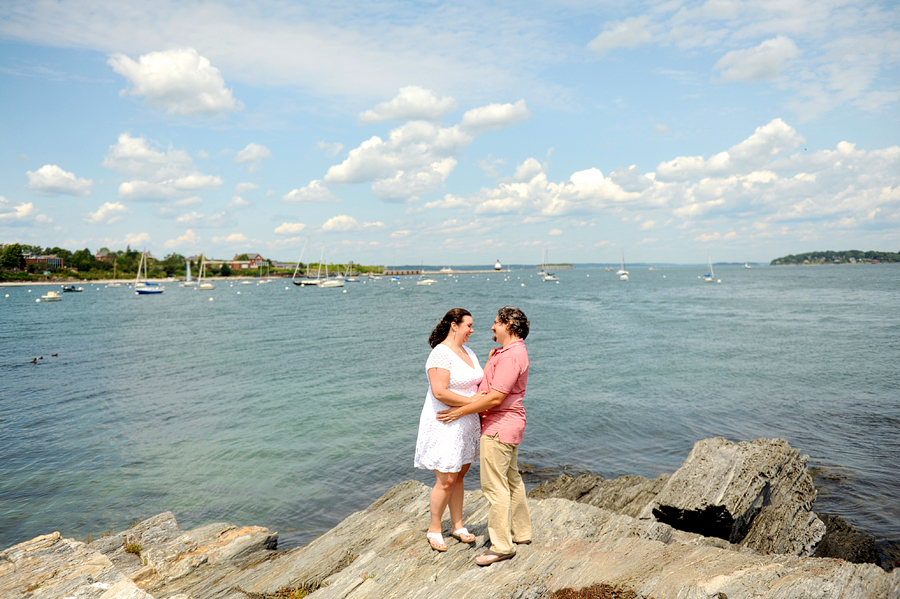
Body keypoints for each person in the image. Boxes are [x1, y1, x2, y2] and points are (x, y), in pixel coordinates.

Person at [437, 306, 531, 566]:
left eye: (495, 322)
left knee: (495, 487)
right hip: (507, 425)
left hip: (499, 427)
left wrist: (461, 412)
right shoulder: (506, 353)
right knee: (512, 481)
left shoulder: (512, 356)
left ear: (509, 325)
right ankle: (521, 533)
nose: (492, 327)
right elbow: (490, 387)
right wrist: (491, 361)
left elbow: (496, 397)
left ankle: (502, 546)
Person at [414, 308, 484, 552]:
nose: (472, 330)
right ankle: (434, 528)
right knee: (445, 479)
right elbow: (440, 392)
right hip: (446, 423)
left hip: (466, 422)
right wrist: (476, 404)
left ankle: (458, 525)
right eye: (469, 325)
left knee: (459, 476)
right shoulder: (440, 354)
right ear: (454, 325)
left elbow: (478, 383)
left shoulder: (469, 352)